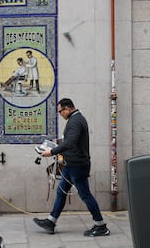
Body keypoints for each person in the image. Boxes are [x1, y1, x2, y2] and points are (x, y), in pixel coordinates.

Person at [33, 98, 110, 237]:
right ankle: (51, 221)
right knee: (61, 191)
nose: (60, 114)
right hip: (70, 164)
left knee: (85, 194)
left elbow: (71, 142)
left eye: (60, 111)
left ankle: (101, 225)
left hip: (77, 165)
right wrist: (54, 144)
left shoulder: (75, 121)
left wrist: (51, 151)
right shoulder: (76, 119)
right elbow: (70, 141)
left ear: (67, 108)